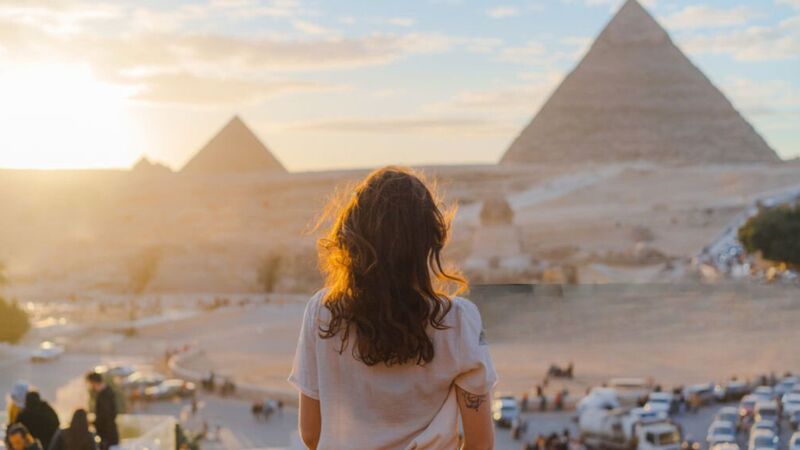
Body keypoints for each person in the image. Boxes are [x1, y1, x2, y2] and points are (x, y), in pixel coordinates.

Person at [288, 167, 497, 450]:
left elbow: (311, 433)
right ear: (429, 240)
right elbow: (480, 443)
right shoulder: (459, 321)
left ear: (353, 238)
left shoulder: (323, 313)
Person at [85, 372, 118, 450]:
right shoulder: (106, 392)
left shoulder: (105, 395)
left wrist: (92, 422)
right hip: (108, 436)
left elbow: (105, 417)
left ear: (93, 382)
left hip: (107, 437)